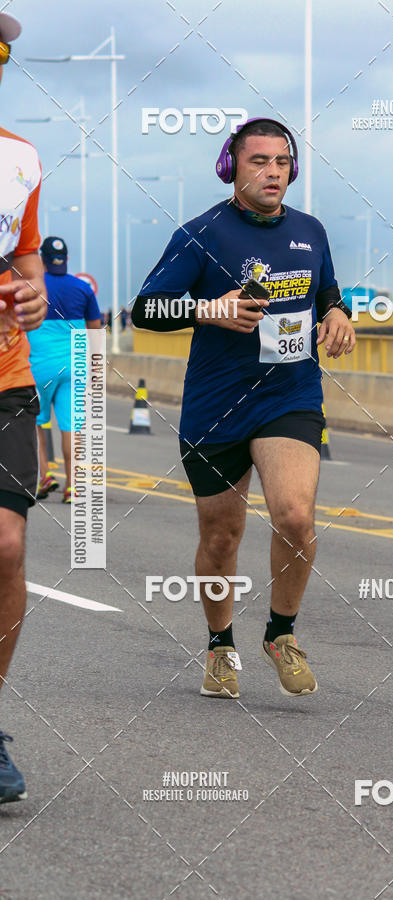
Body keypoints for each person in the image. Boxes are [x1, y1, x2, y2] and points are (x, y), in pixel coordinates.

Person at [132, 117, 356, 699]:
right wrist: (210, 309)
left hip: (290, 394)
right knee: (221, 537)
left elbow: (325, 288)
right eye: (258, 161)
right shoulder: (200, 234)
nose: (272, 173)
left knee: (295, 516)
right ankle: (219, 645)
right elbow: (145, 311)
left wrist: (336, 312)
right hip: (216, 406)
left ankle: (281, 634)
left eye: (282, 162)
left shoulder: (311, 230)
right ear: (231, 168)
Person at [0, 10, 47, 803]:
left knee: (6, 550)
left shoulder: (19, 160)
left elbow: (25, 252)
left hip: (6, 379)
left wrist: (34, 291)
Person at [28, 236, 102, 503]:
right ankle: (73, 486)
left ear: (41, 259)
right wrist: (95, 368)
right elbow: (95, 331)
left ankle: (44, 475)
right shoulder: (83, 289)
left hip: (39, 366)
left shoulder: (33, 286)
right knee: (71, 427)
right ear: (66, 259)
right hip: (75, 366)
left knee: (36, 423)